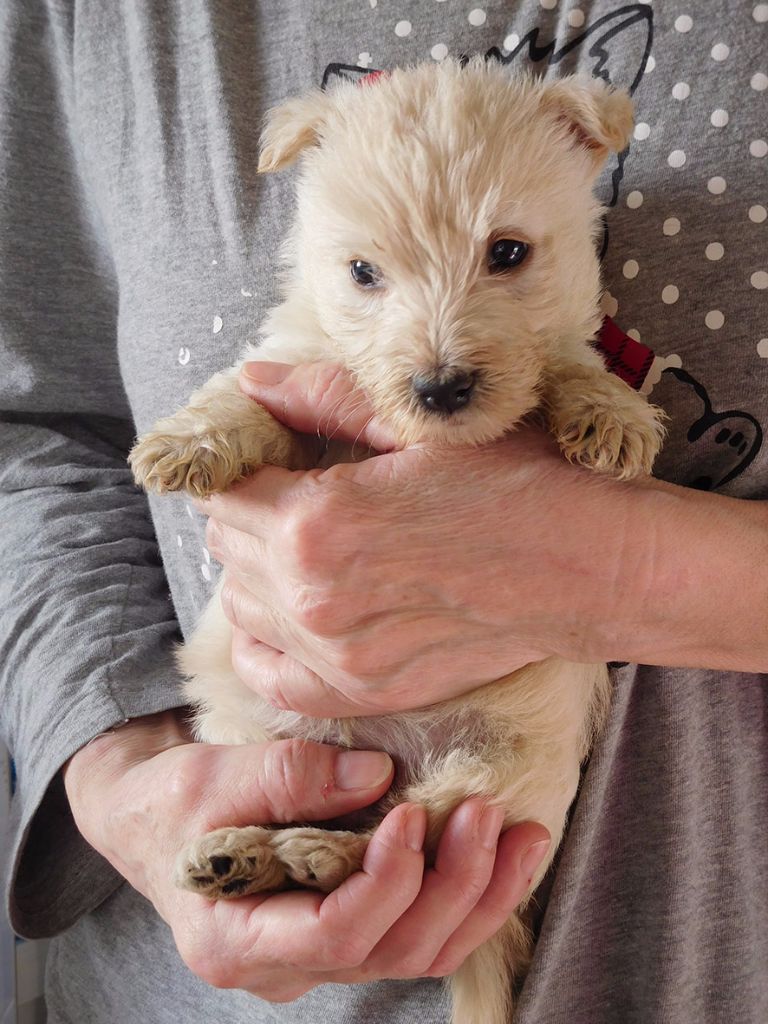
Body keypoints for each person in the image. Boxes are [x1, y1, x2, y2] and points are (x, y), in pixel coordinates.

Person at [1, 1, 766, 1022]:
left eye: (505, 257)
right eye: (367, 275)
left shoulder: (559, 165)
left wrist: (631, 564)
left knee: (497, 777)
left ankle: (410, 853)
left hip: (695, 962)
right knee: (259, 729)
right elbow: (40, 428)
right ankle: (305, 845)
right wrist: (124, 782)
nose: (440, 349)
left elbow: (573, 371)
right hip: (179, 963)